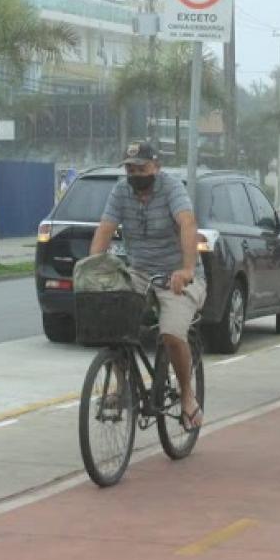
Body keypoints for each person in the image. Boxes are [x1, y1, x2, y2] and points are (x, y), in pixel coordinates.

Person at [88, 141, 206, 428]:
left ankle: (188, 396)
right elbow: (105, 229)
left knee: (171, 333)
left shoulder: (171, 188)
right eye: (130, 168)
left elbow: (188, 224)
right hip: (139, 272)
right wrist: (93, 268)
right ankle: (122, 385)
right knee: (112, 322)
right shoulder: (120, 191)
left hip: (177, 275)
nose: (135, 174)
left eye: (141, 168)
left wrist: (187, 268)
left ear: (156, 167)